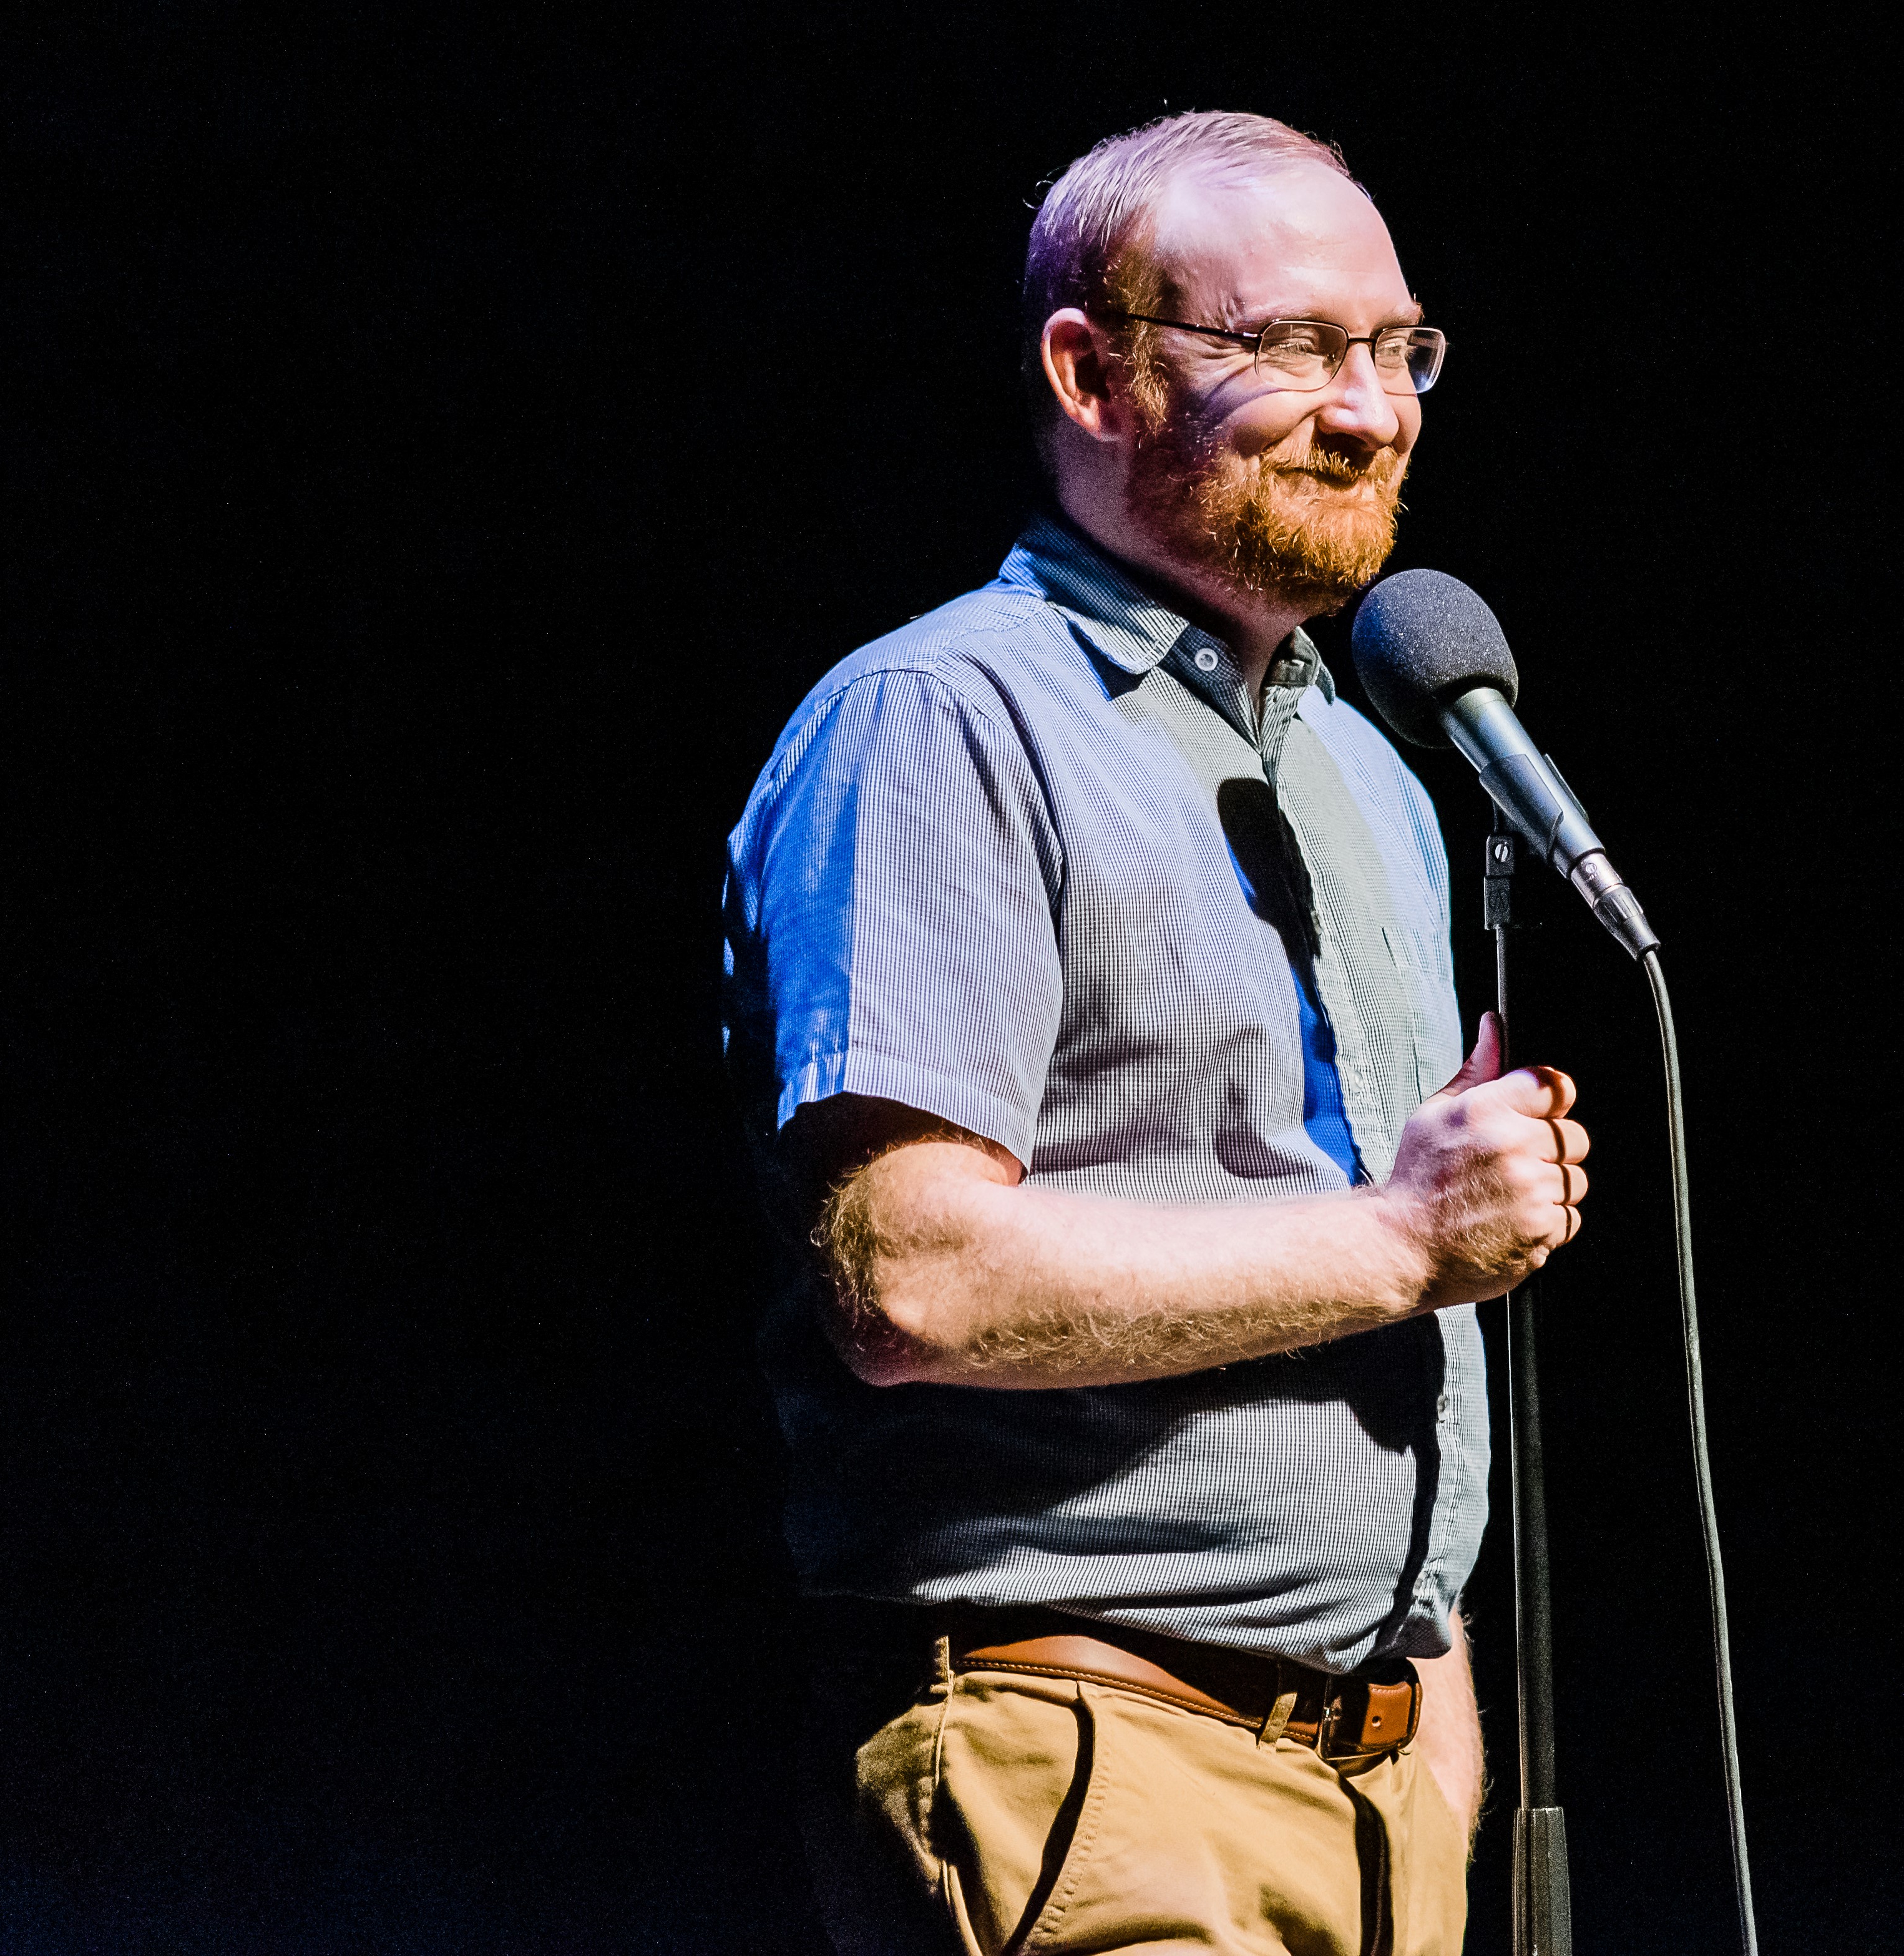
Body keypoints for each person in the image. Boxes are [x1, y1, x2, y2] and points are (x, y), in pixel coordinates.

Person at [721, 110, 1589, 1956]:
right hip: (1091, 1753)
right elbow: (913, 1278)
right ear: (1091, 373)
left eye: (1396, 347)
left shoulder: (1374, 772)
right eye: (1287, 349)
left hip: (1374, 1792)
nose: (1371, 410)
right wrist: (1404, 1240)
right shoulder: (942, 722)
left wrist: (1430, 1739)